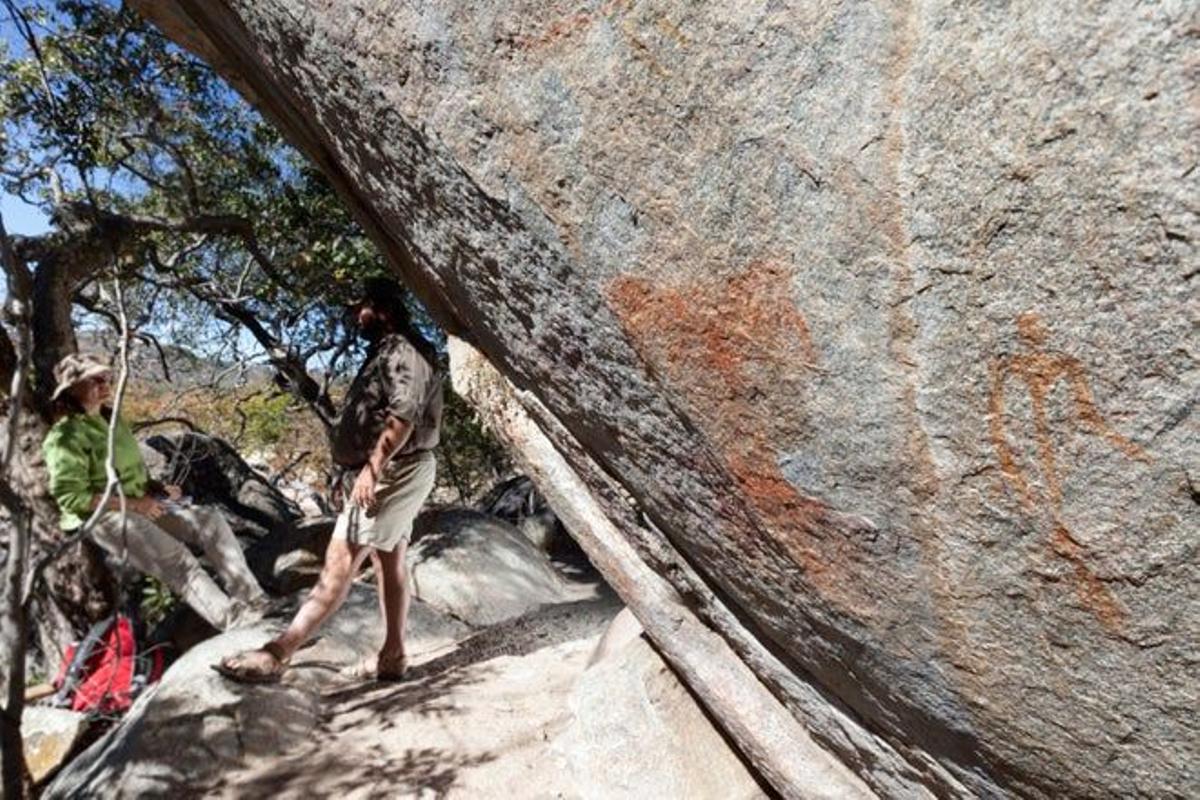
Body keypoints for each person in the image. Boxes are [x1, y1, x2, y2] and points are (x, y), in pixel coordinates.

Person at [216, 277, 443, 682]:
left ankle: (277, 653)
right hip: (397, 469)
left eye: (362, 308)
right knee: (388, 560)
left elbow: (404, 416)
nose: (357, 316)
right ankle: (393, 655)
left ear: (383, 309)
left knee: (339, 563)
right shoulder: (392, 350)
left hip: (394, 470)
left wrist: (372, 469)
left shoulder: (402, 351)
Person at [42, 352, 272, 631]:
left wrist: (156, 488)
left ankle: (254, 600)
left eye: (107, 377)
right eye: (95, 379)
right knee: (178, 561)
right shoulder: (64, 437)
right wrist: (138, 505)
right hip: (103, 515)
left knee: (209, 521)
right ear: (72, 388)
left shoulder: (109, 418)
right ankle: (234, 621)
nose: (105, 383)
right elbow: (71, 498)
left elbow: (132, 470)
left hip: (142, 501)